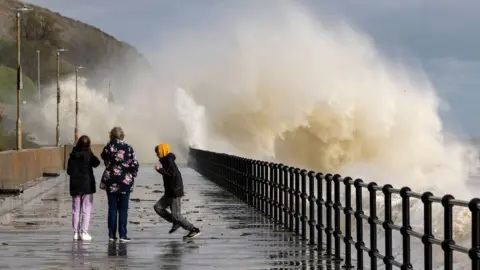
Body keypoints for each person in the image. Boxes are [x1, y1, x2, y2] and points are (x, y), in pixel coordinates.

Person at [153, 143, 201, 239]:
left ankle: (193, 229)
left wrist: (160, 170)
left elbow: (172, 174)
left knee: (177, 215)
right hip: (169, 192)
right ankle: (176, 222)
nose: (157, 154)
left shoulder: (168, 161)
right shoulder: (166, 160)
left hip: (174, 192)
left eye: (157, 152)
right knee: (158, 207)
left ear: (162, 151)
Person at [100, 127, 139, 242]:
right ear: (122, 135)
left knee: (112, 209)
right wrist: (132, 175)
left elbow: (104, 159)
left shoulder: (108, 147)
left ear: (111, 135)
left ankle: (111, 235)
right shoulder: (128, 148)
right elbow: (135, 164)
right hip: (125, 181)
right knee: (123, 209)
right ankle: (123, 235)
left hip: (111, 180)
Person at [67, 135, 101, 241]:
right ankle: (84, 232)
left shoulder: (73, 155)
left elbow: (69, 171)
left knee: (75, 210)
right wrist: (90, 151)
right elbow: (97, 163)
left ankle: (76, 233)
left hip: (75, 185)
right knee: (86, 210)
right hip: (87, 186)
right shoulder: (88, 154)